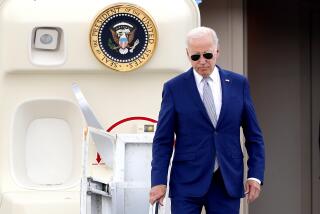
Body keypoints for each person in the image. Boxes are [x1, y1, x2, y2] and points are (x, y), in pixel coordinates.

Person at [149, 26, 265, 214]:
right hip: (186, 182)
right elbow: (163, 140)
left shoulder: (238, 84)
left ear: (217, 52)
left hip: (227, 181)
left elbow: (254, 137)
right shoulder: (174, 88)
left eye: (207, 55)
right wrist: (158, 181)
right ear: (188, 55)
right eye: (195, 57)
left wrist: (255, 176)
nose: (202, 61)